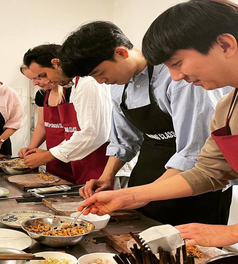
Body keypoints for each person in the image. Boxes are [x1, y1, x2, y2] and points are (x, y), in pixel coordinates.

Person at [78, 0, 238, 247]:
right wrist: (127, 196)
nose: (176, 77)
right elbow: (209, 171)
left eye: (177, 63)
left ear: (225, 45)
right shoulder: (227, 108)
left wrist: (230, 234)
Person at [22, 44, 111, 184]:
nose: (47, 80)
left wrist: (49, 155)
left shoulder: (88, 83)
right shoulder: (76, 84)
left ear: (56, 63)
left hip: (100, 161)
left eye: (43, 75)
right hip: (80, 159)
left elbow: (93, 133)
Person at [18, 64, 75, 182]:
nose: (34, 83)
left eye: (38, 78)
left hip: (74, 157)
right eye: (31, 80)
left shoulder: (71, 92)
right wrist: (30, 149)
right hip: (51, 158)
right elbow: (42, 125)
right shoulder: (42, 95)